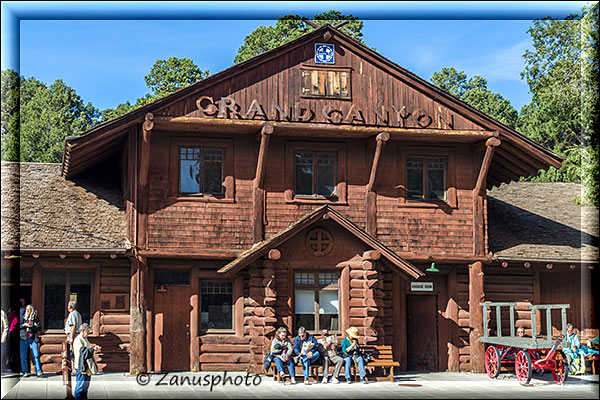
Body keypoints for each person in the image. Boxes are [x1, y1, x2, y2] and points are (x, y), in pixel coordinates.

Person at [73, 323, 100, 399]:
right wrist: (92, 349)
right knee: (80, 387)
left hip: (87, 366)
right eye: (87, 332)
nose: (88, 334)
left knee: (85, 387)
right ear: (83, 331)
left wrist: (94, 349)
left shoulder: (85, 339)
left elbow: (89, 350)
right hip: (81, 366)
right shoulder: (78, 340)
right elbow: (83, 352)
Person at [19, 305, 42, 377]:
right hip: (24, 338)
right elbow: (18, 326)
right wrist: (24, 325)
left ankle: (38, 371)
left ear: (32, 310)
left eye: (29, 310)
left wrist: (32, 326)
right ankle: (25, 371)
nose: (28, 311)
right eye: (27, 310)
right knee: (23, 356)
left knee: (36, 355)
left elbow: (39, 327)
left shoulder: (35, 318)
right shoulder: (23, 317)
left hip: (32, 338)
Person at [1, 309, 8, 374]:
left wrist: (3, 337)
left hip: (1, 337)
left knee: (2, 354)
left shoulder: (2, 313)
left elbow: (5, 326)